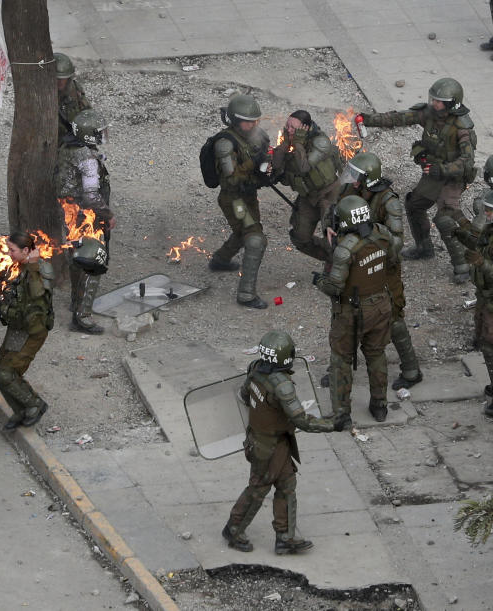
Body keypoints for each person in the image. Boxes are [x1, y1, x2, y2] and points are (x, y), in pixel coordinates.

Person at [223, 330, 338, 555]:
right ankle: (234, 529)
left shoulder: (256, 369)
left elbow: (245, 395)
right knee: (258, 488)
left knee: (287, 486)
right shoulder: (282, 384)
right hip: (271, 447)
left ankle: (285, 537)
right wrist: (332, 424)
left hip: (264, 441)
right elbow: (301, 420)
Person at [357, 78, 477, 284]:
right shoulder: (429, 114)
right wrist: (369, 119)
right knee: (414, 204)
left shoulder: (462, 127)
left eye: (438, 101)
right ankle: (424, 247)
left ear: (451, 103)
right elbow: (401, 118)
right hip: (434, 173)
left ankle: (462, 265)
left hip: (452, 178)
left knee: (446, 219)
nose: (433, 103)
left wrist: (443, 169)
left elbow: (467, 162)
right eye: (433, 99)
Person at [339, 152, 423, 390]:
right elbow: (332, 215)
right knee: (345, 315)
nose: (352, 180)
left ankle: (411, 369)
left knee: (394, 317)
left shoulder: (388, 202)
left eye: (357, 176)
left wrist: (370, 237)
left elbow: (396, 244)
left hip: (382, 268)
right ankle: (340, 367)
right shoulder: (349, 190)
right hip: (352, 266)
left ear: (369, 179)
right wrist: (330, 229)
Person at [315, 196, 397, 425]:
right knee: (376, 355)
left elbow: (334, 286)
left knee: (341, 360)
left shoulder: (344, 250)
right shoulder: (382, 234)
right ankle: (380, 406)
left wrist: (318, 280)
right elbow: (391, 261)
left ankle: (342, 414)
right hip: (381, 304)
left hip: (352, 311)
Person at [208, 94, 272, 309]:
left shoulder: (255, 134)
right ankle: (246, 294)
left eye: (255, 120)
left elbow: (267, 152)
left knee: (243, 231)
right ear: (235, 120)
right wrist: (254, 164)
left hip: (249, 195)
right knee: (255, 239)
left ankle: (220, 260)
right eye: (247, 121)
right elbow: (232, 178)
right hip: (233, 199)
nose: (252, 124)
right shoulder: (225, 144)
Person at [451, 188, 493, 416]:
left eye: (492, 212)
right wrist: (460, 232)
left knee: (491, 345)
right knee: (484, 339)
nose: (487, 214)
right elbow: (480, 244)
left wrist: (480, 263)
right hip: (488, 297)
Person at [0, 231, 55, 430]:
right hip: (18, 326)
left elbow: (36, 297)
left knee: (6, 373)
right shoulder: (20, 266)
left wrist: (33, 266)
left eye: (12, 250)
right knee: (1, 368)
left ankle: (35, 404)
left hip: (33, 330)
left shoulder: (41, 268)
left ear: (26, 250)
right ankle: (20, 410)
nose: (9, 253)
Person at [57, 108, 115, 333]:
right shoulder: (88, 159)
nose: (102, 134)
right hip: (86, 215)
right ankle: (83, 316)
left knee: (76, 255)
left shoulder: (68, 148)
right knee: (94, 261)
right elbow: (91, 194)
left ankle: (75, 301)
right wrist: (108, 215)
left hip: (69, 211)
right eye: (99, 132)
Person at [272, 110, 344, 262]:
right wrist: (284, 145)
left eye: (293, 127)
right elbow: (277, 167)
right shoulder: (290, 139)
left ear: (305, 128)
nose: (288, 130)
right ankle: (330, 259)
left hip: (330, 194)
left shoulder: (320, 142)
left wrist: (297, 143)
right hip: (309, 197)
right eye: (287, 125)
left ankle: (339, 266)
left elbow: (304, 167)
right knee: (300, 238)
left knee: (334, 235)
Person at [55, 53, 93, 142]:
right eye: (57, 78)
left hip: (71, 137)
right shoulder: (43, 96)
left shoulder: (74, 90)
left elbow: (87, 112)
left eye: (63, 78)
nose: (60, 82)